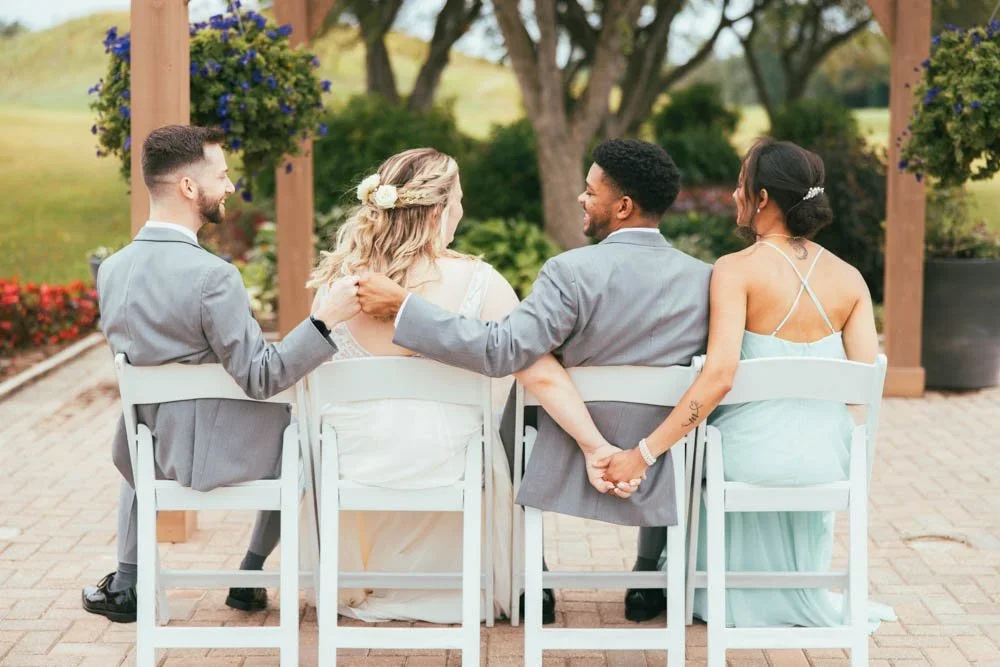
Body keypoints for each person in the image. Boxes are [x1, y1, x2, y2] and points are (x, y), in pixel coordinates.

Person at [356, 139, 712, 622]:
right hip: (659, 453)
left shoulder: (570, 272)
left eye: (591, 192)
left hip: (567, 447)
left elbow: (502, 350)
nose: (581, 200)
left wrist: (405, 308)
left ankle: (535, 577)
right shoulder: (705, 279)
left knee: (512, 415)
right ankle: (649, 576)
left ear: (623, 207)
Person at [308, 147, 627, 623]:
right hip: (446, 463)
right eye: (458, 199)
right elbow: (536, 370)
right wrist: (594, 444)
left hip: (353, 463)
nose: (461, 209)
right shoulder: (479, 282)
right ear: (438, 211)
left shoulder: (334, 286)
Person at [599, 137, 896, 628]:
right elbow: (861, 394)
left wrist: (645, 451)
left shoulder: (734, 271)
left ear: (761, 199)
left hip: (745, 460)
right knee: (785, 440)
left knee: (688, 437)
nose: (736, 194)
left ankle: (677, 578)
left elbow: (717, 378)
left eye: (741, 184)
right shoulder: (851, 280)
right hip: (831, 461)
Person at [82, 125, 360, 623]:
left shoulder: (114, 269)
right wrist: (325, 321)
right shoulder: (213, 276)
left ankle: (128, 578)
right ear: (189, 188)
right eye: (223, 175)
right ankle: (249, 573)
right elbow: (262, 377)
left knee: (139, 437)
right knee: (304, 434)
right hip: (206, 457)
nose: (230, 186)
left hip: (145, 450)